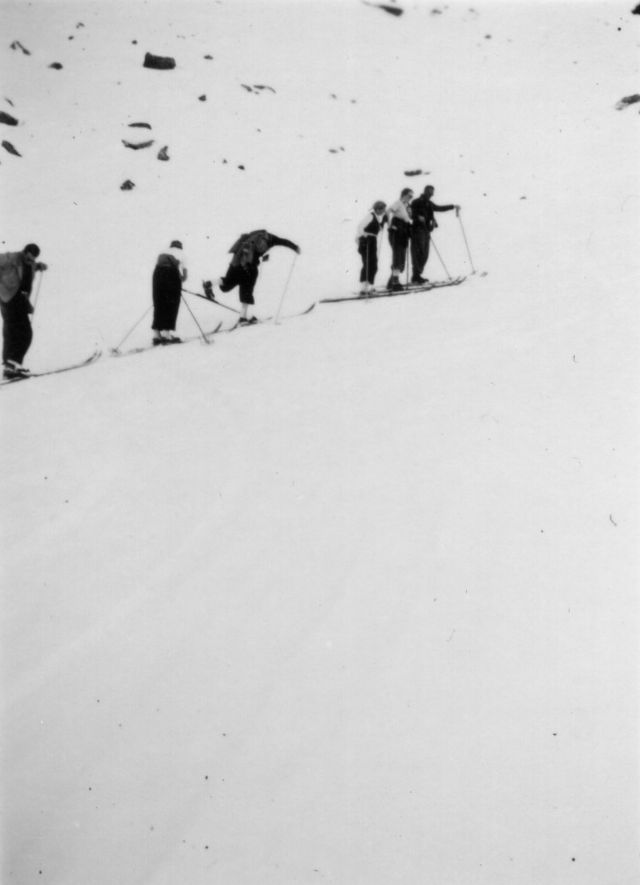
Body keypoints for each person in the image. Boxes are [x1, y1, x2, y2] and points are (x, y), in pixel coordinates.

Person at [204, 229, 300, 324]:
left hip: (235, 263)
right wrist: (295, 247)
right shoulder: (271, 239)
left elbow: (249, 252)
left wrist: (260, 258)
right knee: (247, 290)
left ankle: (210, 283)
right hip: (248, 267)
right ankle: (243, 318)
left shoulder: (251, 236)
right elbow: (283, 241)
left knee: (228, 283)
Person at [0, 243, 47, 378]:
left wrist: (38, 266)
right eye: (30, 258)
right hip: (10, 297)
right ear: (25, 252)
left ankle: (10, 366)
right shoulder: (13, 257)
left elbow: (28, 268)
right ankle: (12, 363)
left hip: (18, 300)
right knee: (25, 333)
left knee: (11, 331)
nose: (31, 261)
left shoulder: (29, 263)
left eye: (33, 259)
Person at [410, 185, 460, 284]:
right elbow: (411, 213)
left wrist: (452, 206)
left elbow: (438, 208)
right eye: (430, 192)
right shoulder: (416, 202)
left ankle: (417, 275)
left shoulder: (428, 203)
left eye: (432, 193)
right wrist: (417, 217)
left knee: (424, 254)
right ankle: (416, 276)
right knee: (418, 253)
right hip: (417, 230)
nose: (431, 194)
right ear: (425, 192)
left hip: (426, 231)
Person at [152, 240, 187, 345]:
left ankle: (156, 335)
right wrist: (179, 281)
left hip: (157, 274)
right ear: (180, 247)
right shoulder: (181, 253)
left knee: (159, 302)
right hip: (171, 274)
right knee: (172, 303)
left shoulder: (163, 251)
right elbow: (184, 275)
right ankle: (167, 335)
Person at [355, 201, 387, 294]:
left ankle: (366, 286)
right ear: (377, 209)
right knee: (369, 264)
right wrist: (365, 236)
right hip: (367, 242)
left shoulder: (376, 217)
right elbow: (360, 227)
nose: (383, 212)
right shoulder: (370, 216)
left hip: (371, 241)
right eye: (383, 210)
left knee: (371, 264)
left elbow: (377, 229)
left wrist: (383, 222)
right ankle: (365, 287)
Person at [386, 188, 414, 290]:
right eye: (410, 196)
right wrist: (390, 226)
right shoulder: (398, 203)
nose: (411, 198)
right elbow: (388, 212)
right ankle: (395, 281)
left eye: (412, 196)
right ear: (404, 195)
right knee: (397, 256)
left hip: (403, 231)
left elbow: (408, 218)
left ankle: (391, 281)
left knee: (401, 256)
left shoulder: (406, 206)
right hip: (397, 230)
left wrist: (410, 214)